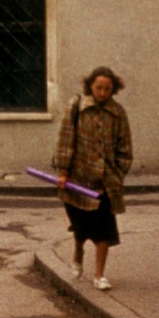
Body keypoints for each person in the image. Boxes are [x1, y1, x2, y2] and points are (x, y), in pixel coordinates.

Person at [53, 66, 132, 291]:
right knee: (81, 226)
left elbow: (125, 148)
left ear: (113, 89)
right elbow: (66, 140)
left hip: (105, 183)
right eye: (98, 88)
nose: (102, 93)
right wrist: (63, 172)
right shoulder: (76, 106)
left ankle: (99, 275)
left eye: (107, 89)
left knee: (105, 228)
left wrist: (117, 174)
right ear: (90, 86)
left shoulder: (118, 113)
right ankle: (78, 250)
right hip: (78, 180)